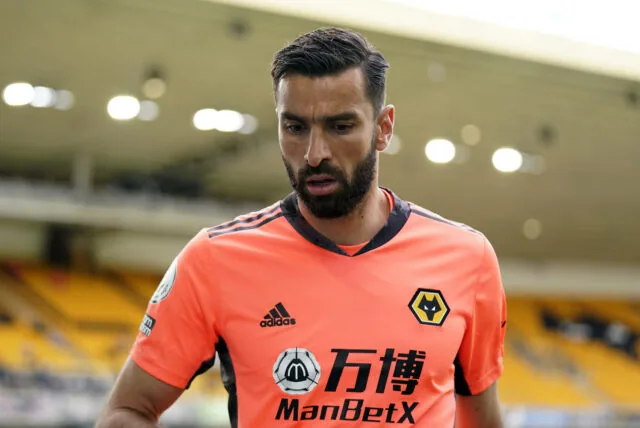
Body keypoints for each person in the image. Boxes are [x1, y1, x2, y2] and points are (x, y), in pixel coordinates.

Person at [95, 27, 507, 428]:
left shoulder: (467, 259)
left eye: (340, 126)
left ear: (383, 128)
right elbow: (126, 411)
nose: (314, 154)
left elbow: (482, 420)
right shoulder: (215, 259)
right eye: (295, 127)